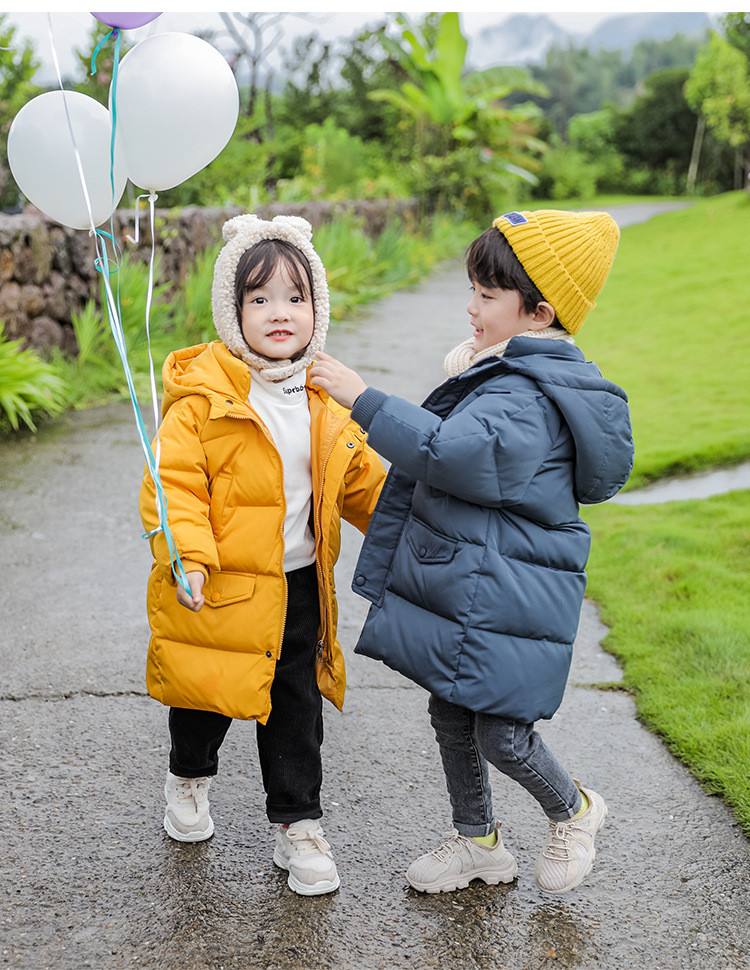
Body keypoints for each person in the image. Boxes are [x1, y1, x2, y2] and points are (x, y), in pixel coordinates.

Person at [310, 208, 634, 896]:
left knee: (502, 733)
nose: (471, 306)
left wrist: (362, 399)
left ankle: (575, 809)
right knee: (451, 712)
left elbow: (448, 452)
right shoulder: (513, 376)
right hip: (485, 591)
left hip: (508, 599)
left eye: (488, 296)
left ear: (540, 312)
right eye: (474, 291)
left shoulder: (524, 398)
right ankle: (479, 841)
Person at [139, 214, 385, 896]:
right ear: (232, 310)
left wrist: (427, 520)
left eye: (295, 297)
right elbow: (175, 488)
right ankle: (188, 779)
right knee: (206, 696)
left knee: (295, 706)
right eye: (260, 298)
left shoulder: (324, 400)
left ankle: (297, 823)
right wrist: (188, 556)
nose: (280, 313)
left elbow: (362, 482)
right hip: (216, 584)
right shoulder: (201, 402)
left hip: (299, 584)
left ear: (317, 310)